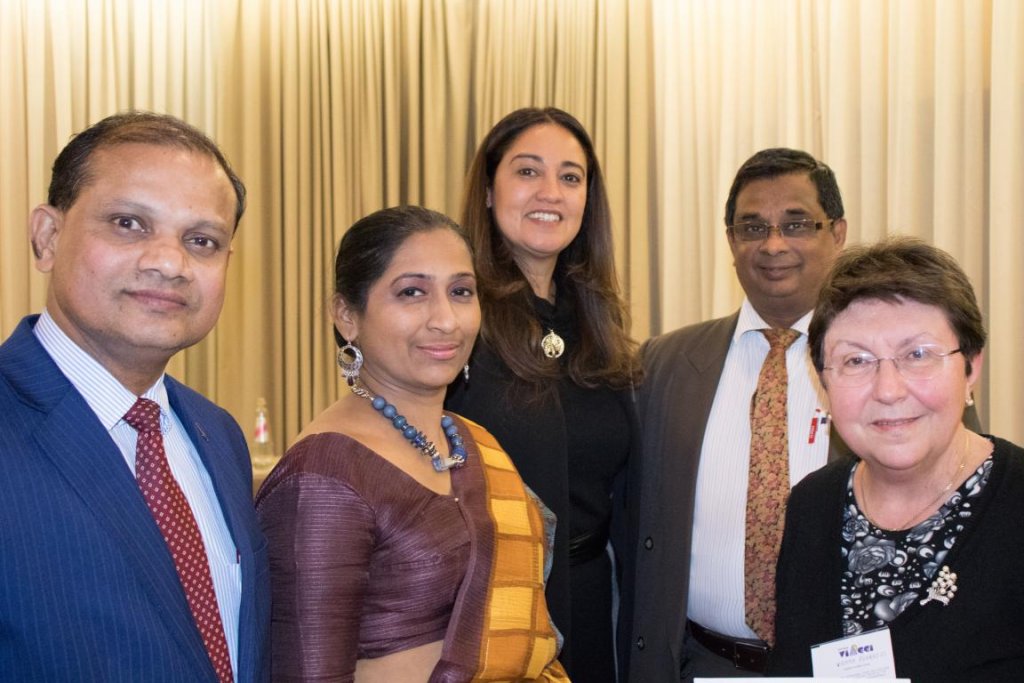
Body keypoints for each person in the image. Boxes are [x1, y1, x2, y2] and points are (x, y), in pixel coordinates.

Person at [0, 111, 270, 681]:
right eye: (129, 224)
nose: (169, 263)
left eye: (201, 241)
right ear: (47, 237)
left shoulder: (218, 435)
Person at [255, 206, 569, 682]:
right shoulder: (322, 475)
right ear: (347, 315)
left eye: (461, 292)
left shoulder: (474, 442)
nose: (446, 320)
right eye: (412, 292)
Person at [624, 148, 850, 681]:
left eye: (796, 224)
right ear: (730, 241)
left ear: (837, 233)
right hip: (704, 663)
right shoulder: (663, 365)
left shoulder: (882, 362)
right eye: (752, 228)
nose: (773, 245)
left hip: (842, 665)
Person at [445, 107, 643, 682]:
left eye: (570, 177)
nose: (550, 192)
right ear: (488, 190)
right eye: (528, 171)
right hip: (486, 609)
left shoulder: (598, 322)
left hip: (592, 603)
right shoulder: (454, 316)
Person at [769, 237, 1023, 679]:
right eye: (856, 361)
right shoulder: (813, 504)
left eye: (917, 355)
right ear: (823, 382)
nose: (888, 390)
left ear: (971, 368)